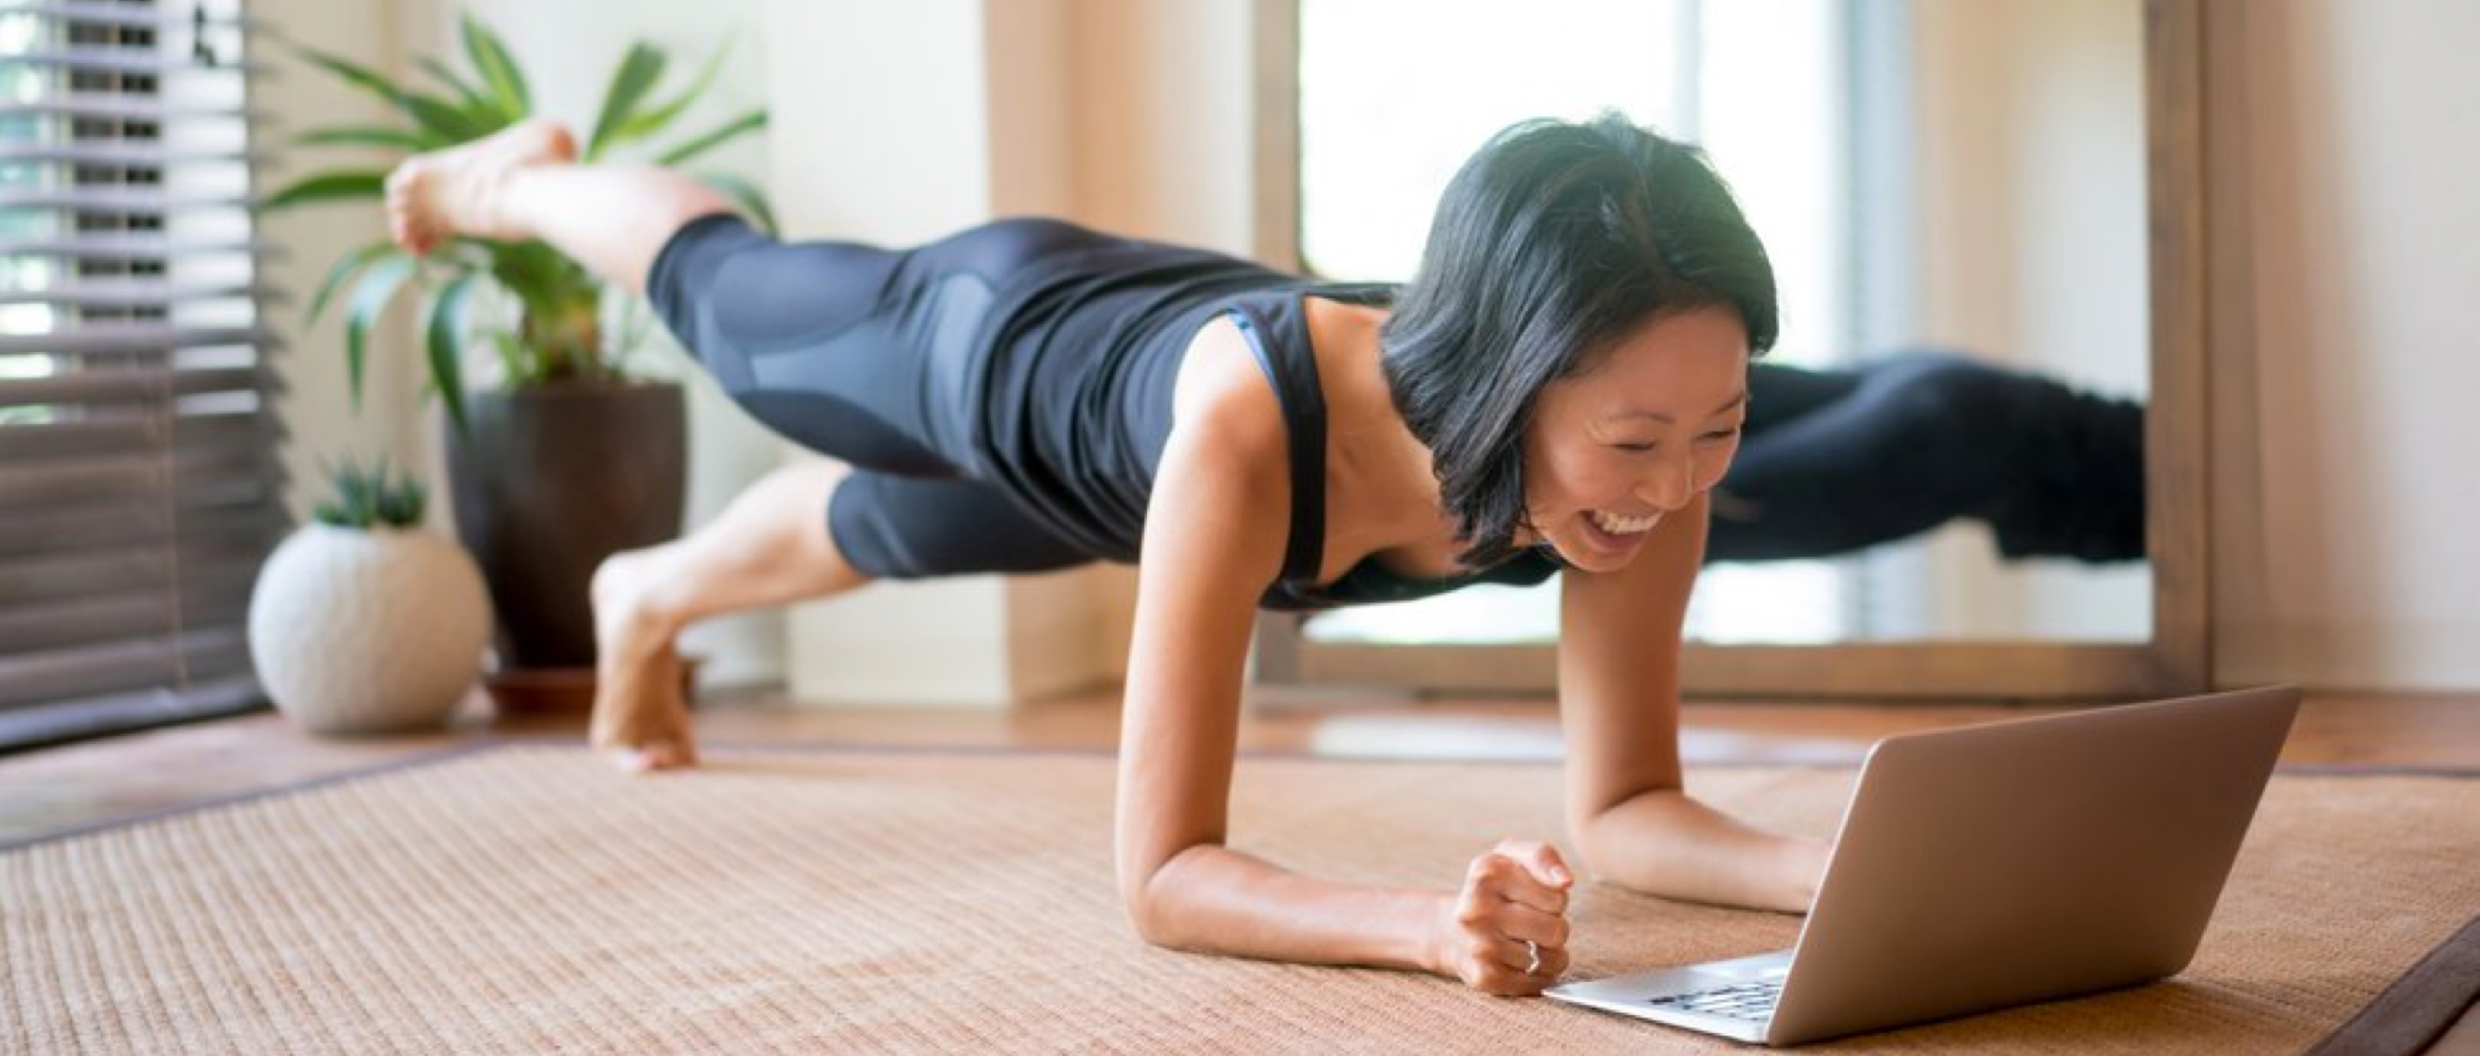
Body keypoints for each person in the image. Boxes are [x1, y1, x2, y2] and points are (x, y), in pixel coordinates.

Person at [382, 112, 2131, 997]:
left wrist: (1847, 873)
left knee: (894, 534)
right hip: (1007, 343)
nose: (1678, 489)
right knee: (731, 306)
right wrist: (1420, 928)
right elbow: (1161, 879)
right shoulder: (1243, 433)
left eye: (1721, 427)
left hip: (1135, 450)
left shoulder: (1635, 477)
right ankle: (521, 181)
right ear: (1517, 383)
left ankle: (646, 594)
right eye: (1638, 441)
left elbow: (1625, 811)